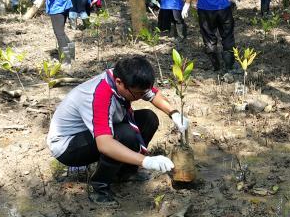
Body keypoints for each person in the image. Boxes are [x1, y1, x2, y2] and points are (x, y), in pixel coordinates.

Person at [47, 56, 189, 203]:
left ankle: (126, 173)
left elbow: (153, 94)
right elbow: (105, 144)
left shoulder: (126, 79)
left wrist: (175, 114)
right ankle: (99, 188)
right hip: (68, 146)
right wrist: (146, 161)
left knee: (148, 119)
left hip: (92, 134)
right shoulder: (100, 94)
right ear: (119, 83)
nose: (142, 97)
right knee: (125, 134)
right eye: (138, 94)